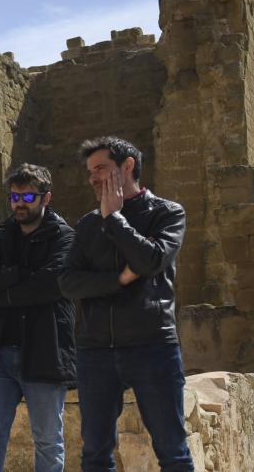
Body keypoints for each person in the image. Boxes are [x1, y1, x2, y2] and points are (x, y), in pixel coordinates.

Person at [59, 137, 193, 471]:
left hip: (152, 346)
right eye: (90, 171)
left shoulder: (167, 213)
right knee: (94, 454)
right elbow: (68, 282)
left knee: (173, 453)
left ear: (128, 166)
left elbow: (150, 261)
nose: (92, 178)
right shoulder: (88, 224)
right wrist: (118, 280)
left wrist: (115, 219)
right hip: (95, 351)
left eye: (101, 168)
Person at [0, 163, 76, 472]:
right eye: (15, 197)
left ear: (46, 198)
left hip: (43, 351)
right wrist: (19, 275)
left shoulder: (64, 237)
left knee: (48, 440)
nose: (20, 204)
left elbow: (52, 284)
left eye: (28, 198)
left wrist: (1, 290)